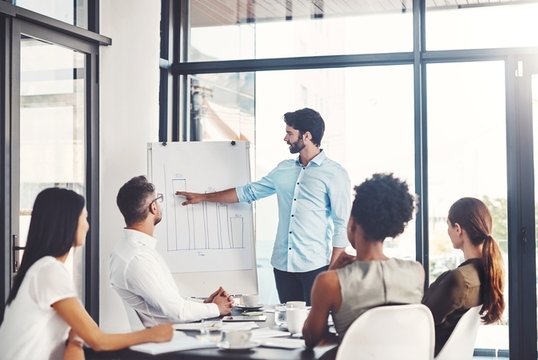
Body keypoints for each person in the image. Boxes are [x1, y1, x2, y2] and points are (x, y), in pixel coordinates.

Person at [176, 108, 351, 304]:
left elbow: (341, 223)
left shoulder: (335, 173)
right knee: (288, 324)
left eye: (290, 133)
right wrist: (203, 197)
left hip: (316, 267)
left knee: (315, 327)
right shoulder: (283, 169)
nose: (285, 138)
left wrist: (332, 270)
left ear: (307, 136)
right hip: (282, 266)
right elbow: (248, 192)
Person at [0, 188, 173, 360]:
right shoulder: (49, 271)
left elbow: (79, 334)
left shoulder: (39, 269)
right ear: (68, 223)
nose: (87, 226)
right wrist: (153, 334)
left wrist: (76, 340)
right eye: (85, 218)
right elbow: (98, 340)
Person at [302, 173, 425, 348]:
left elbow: (311, 338)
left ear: (352, 224)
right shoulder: (416, 272)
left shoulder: (329, 282)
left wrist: (332, 272)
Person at [110, 175, 233, 327]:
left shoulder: (129, 249)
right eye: (158, 199)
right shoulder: (138, 258)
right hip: (172, 340)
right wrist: (216, 308)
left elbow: (168, 305)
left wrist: (205, 305)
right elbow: (177, 312)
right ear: (153, 207)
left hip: (171, 334)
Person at [423, 197, 505, 356]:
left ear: (458, 229)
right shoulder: (487, 273)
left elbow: (421, 321)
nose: (447, 231)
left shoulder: (460, 279)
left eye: (448, 225)